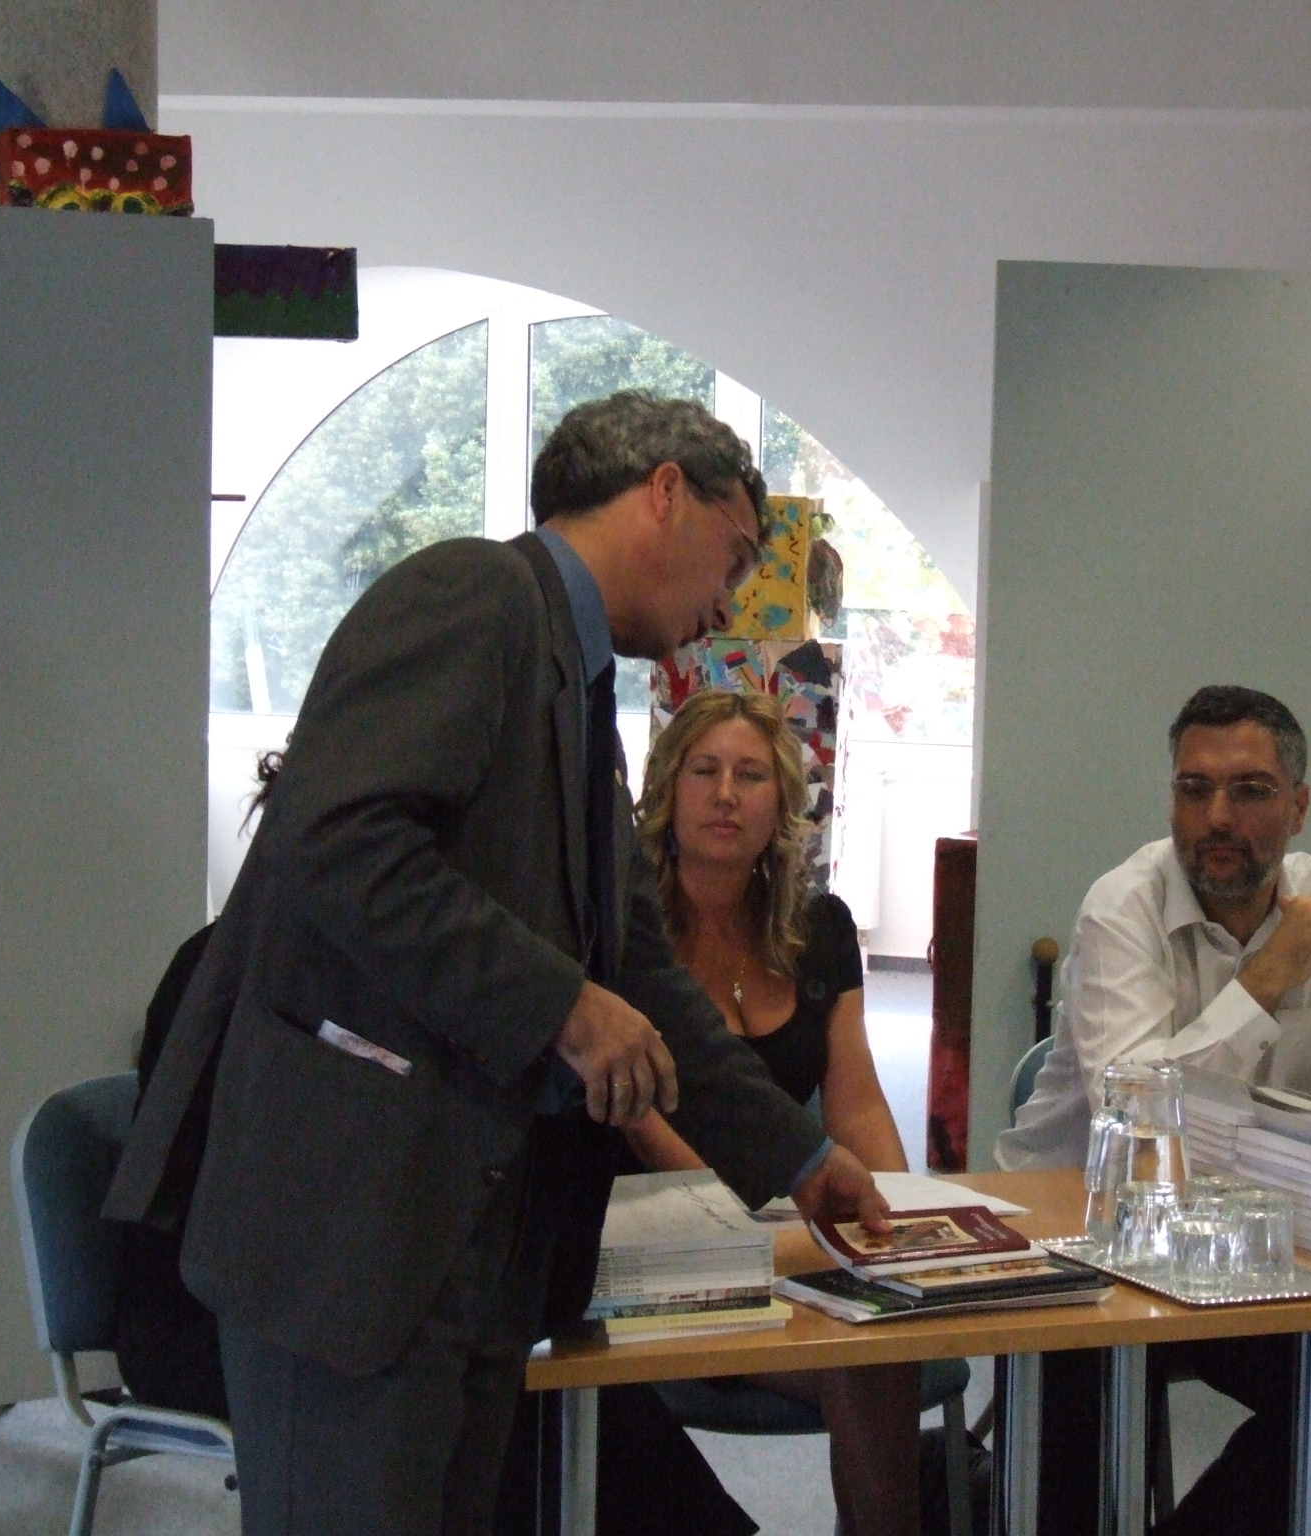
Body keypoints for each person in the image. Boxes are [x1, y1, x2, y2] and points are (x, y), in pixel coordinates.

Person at [103, 391, 888, 1536]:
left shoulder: (574, 685)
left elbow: (640, 976)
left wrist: (801, 1158)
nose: (727, 601)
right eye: (731, 555)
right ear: (665, 493)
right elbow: (340, 838)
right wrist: (562, 1006)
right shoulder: (471, 595)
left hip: (478, 1249)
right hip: (356, 1237)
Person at [996, 685, 1311, 1536]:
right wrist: (1269, 976)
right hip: (1080, 1234)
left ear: (1299, 808)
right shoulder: (1122, 906)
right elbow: (1137, 1120)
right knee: (1085, 1401)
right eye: (1193, 788)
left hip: (1235, 1244)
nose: (1216, 816)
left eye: (1249, 791)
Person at [623, 687, 923, 1536]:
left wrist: (902, 1220)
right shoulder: (625, 929)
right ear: (667, 790)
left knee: (883, 1336)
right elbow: (637, 1121)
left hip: (792, 1228)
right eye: (705, 771)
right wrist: (761, 1236)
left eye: (751, 776)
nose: (726, 794)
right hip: (649, 1240)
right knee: (861, 1350)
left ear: (782, 805)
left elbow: (856, 1102)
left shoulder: (819, 927)